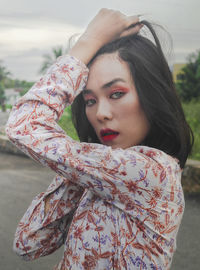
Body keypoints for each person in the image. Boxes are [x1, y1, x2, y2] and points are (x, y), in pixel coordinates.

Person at [6, 8, 193, 270]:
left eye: (116, 93)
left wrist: (89, 41)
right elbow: (29, 242)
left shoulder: (151, 172)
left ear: (151, 94)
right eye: (90, 101)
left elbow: (24, 125)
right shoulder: (102, 173)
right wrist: (75, 169)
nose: (101, 114)